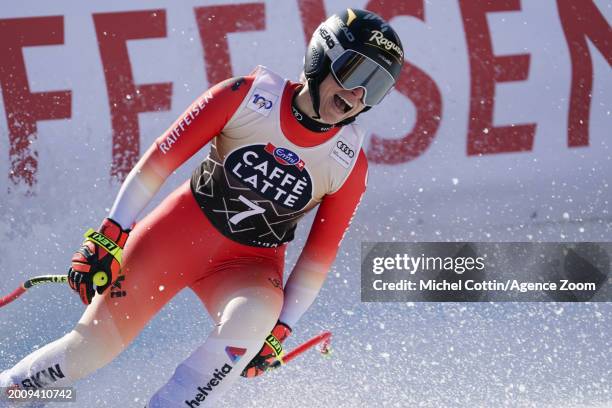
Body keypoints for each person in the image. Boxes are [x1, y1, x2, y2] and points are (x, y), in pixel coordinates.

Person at [1, 8, 404, 407]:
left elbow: (320, 256)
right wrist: (111, 233)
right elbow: (159, 160)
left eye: (377, 87)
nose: (358, 96)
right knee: (85, 353)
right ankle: (9, 393)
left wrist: (282, 328)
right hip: (173, 240)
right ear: (322, 57)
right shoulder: (247, 95)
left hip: (249, 269)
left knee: (256, 320)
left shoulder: (349, 162)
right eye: (357, 74)